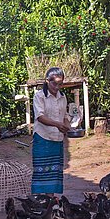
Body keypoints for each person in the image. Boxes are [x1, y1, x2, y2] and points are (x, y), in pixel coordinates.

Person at [31, 67, 71, 197]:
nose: (57, 87)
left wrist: (67, 125)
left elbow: (64, 115)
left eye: (60, 84)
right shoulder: (39, 96)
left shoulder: (63, 97)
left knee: (54, 171)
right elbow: (40, 117)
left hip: (57, 138)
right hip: (42, 138)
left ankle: (50, 199)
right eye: (54, 84)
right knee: (41, 171)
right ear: (47, 81)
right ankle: (38, 200)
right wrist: (57, 124)